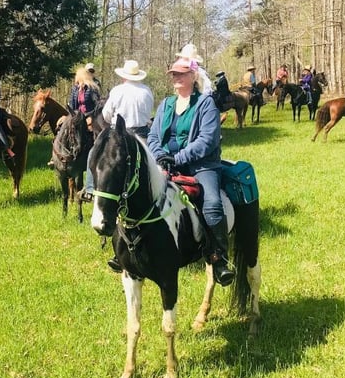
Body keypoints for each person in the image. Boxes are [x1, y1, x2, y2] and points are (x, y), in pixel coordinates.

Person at [146, 56, 235, 287]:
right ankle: (130, 251)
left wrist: (177, 158)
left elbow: (207, 141)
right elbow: (154, 137)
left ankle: (219, 258)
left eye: (181, 73)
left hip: (201, 165)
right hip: (165, 163)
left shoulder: (205, 104)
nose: (176, 77)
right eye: (173, 74)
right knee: (136, 190)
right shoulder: (165, 104)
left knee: (212, 203)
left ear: (192, 76)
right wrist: (160, 157)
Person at [80, 59, 154, 207]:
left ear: (124, 76)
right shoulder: (147, 91)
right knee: (152, 163)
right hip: (143, 134)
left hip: (119, 134)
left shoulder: (118, 90)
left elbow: (107, 115)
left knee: (93, 153)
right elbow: (149, 110)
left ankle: (89, 189)